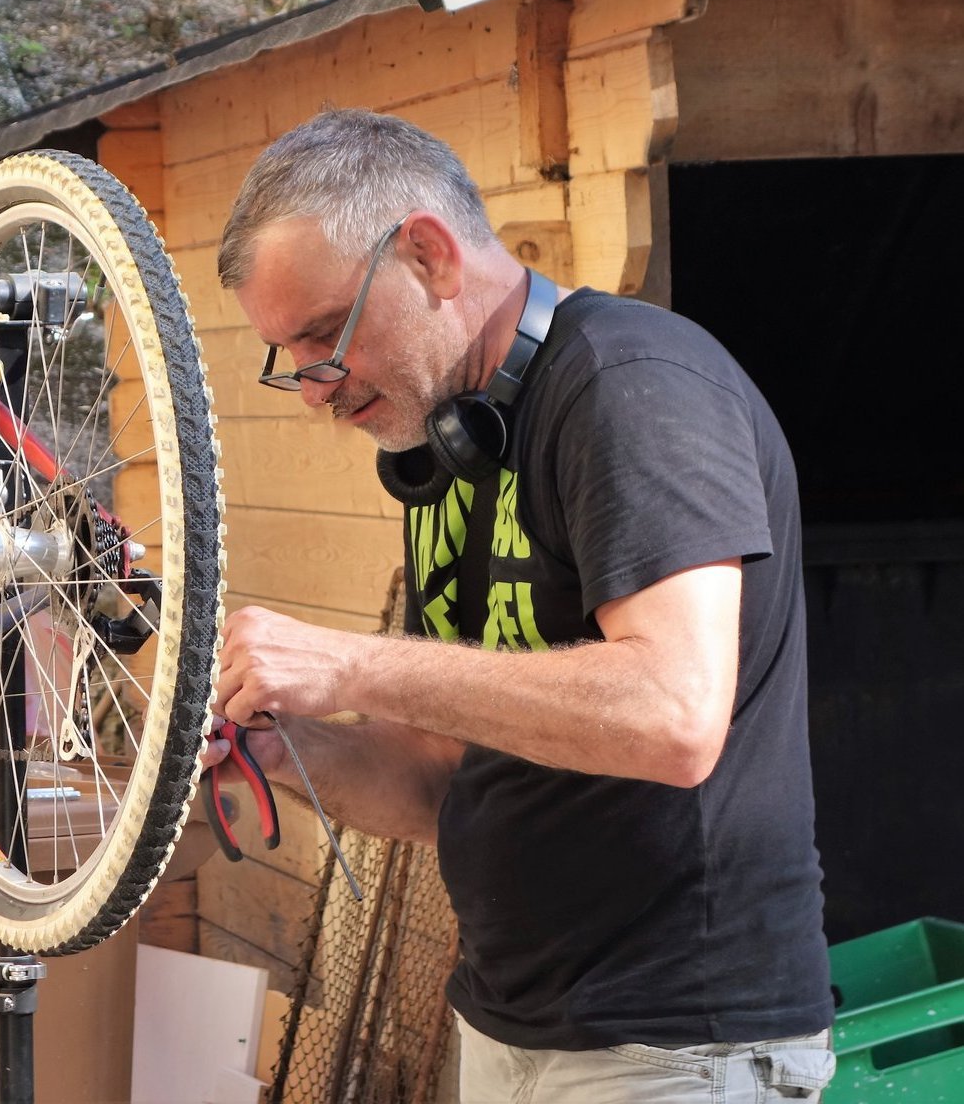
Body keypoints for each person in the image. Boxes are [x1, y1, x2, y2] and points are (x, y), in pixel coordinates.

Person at [205, 108, 835, 1101]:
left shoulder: (630, 388)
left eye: (326, 335)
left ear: (427, 254)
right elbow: (437, 780)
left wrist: (353, 665)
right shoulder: (450, 440)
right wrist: (288, 748)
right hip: (509, 1025)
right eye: (289, 354)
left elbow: (672, 715)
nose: (312, 390)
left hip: (672, 1044)